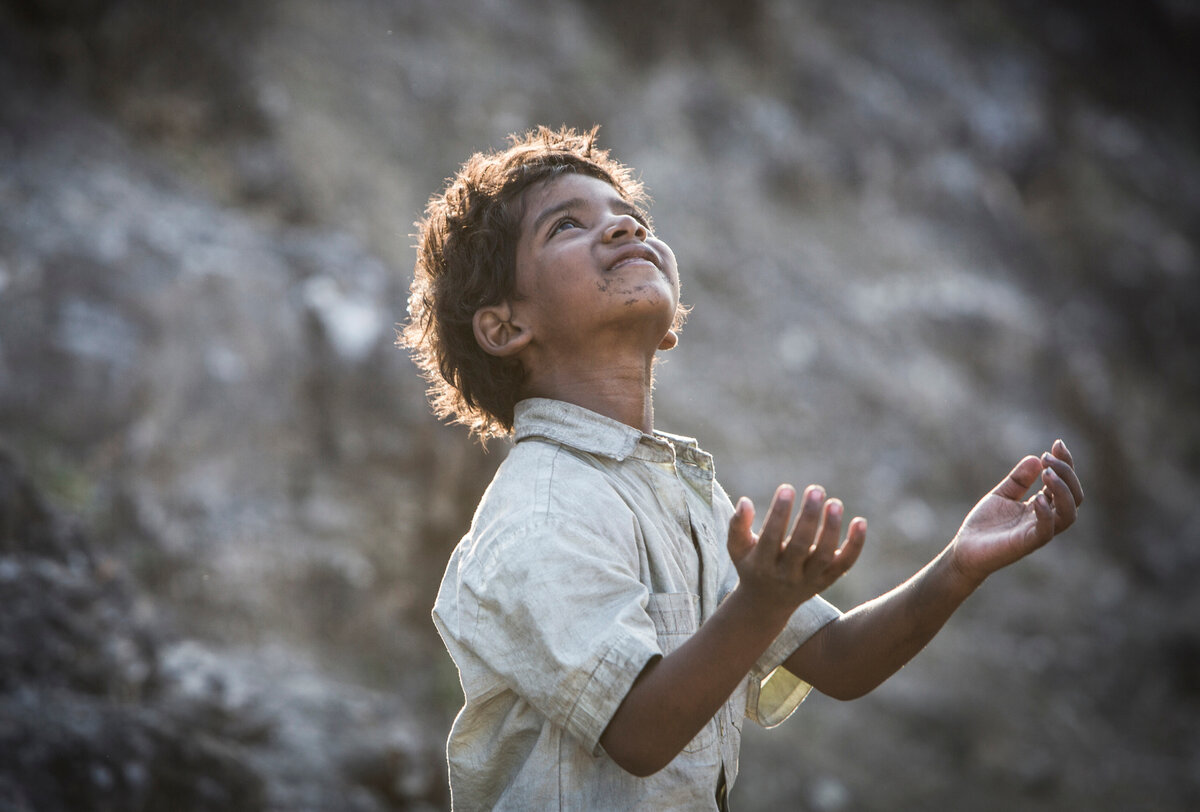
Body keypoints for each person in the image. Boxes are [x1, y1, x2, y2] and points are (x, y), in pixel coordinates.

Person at [399, 126, 1084, 811]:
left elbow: (841, 661)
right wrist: (761, 600)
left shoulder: (682, 495)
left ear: (669, 318)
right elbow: (639, 734)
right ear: (505, 328)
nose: (622, 231)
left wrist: (960, 565)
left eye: (630, 219)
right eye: (568, 226)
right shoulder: (541, 514)